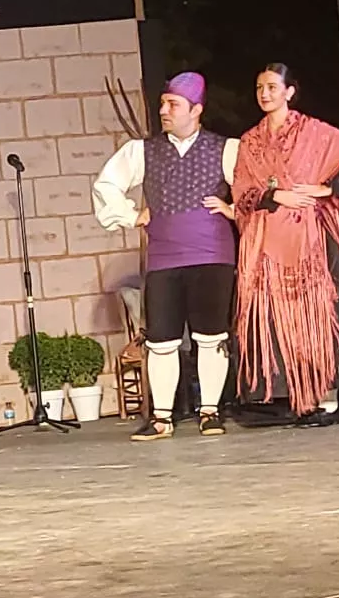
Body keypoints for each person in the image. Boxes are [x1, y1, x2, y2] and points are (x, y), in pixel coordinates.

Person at [208, 64, 339, 424]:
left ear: (289, 92)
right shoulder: (251, 140)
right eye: (259, 87)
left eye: (271, 86)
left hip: (314, 235)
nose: (264, 93)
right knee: (279, 320)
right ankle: (298, 398)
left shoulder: (313, 132)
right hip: (271, 237)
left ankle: (325, 397)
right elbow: (243, 189)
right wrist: (277, 195)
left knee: (324, 315)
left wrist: (327, 188)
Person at [91, 71, 239, 440]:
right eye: (163, 103)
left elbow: (256, 188)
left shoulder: (225, 148)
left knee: (211, 335)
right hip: (165, 258)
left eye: (172, 104)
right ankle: (161, 416)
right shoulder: (144, 151)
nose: (164, 110)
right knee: (161, 339)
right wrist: (131, 214)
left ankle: (210, 411)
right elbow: (106, 184)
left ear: (196, 110)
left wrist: (234, 209)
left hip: (211, 254)